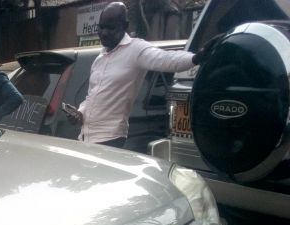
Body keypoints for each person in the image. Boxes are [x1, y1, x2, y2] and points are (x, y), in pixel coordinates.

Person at [69, 2, 209, 148]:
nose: (104, 32)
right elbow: (92, 96)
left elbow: (166, 59)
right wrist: (80, 112)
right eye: (101, 27)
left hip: (109, 139)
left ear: (125, 26)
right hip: (85, 137)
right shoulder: (101, 57)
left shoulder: (136, 50)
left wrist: (195, 58)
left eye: (110, 28)